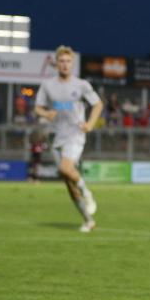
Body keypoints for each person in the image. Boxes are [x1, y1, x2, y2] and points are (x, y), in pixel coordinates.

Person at [34, 45, 104, 232]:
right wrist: (46, 113)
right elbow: (38, 107)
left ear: (73, 64)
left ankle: (87, 192)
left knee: (65, 168)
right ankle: (88, 220)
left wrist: (90, 124)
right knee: (68, 182)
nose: (65, 64)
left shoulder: (81, 85)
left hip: (75, 134)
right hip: (56, 137)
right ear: (56, 64)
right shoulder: (48, 85)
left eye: (68, 61)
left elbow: (98, 104)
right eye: (62, 61)